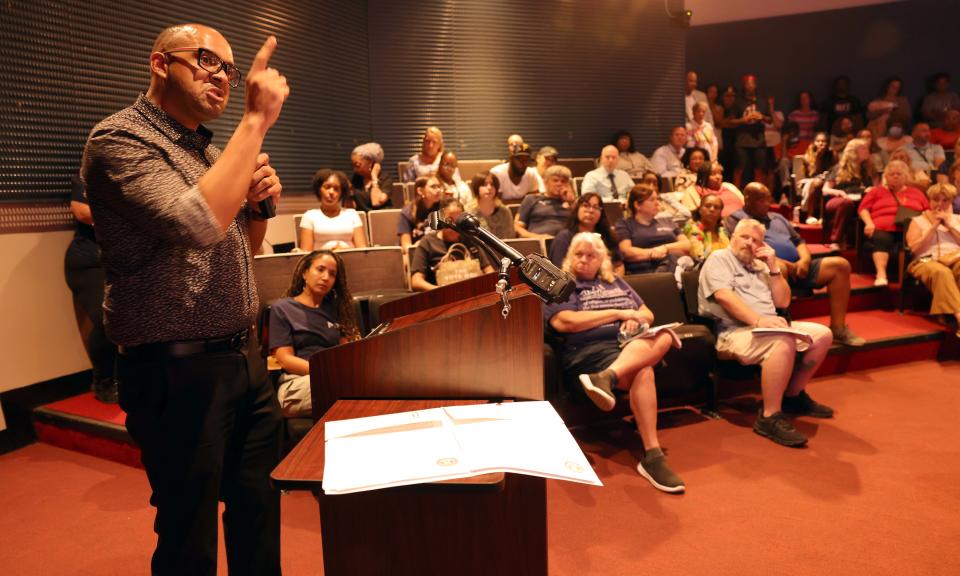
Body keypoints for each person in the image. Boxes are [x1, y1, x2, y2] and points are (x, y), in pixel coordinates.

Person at [80, 25, 287, 575]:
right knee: (188, 535)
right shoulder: (119, 141)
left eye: (229, 68)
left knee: (259, 516)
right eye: (205, 60)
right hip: (174, 373)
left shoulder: (211, 151)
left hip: (243, 360)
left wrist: (260, 206)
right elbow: (194, 223)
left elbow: (241, 248)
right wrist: (255, 119)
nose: (220, 75)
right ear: (159, 63)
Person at [546, 232, 684, 493]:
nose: (584, 260)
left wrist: (636, 319)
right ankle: (653, 457)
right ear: (569, 258)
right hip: (588, 352)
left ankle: (607, 377)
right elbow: (564, 322)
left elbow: (647, 313)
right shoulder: (563, 285)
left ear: (602, 260)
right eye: (579, 254)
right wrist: (620, 313)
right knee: (644, 370)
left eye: (591, 255)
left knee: (665, 334)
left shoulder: (616, 282)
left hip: (628, 345)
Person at [698, 219, 835, 447]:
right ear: (732, 238)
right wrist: (758, 319)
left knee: (822, 334)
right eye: (744, 237)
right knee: (782, 339)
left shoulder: (761, 266)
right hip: (733, 332)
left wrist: (773, 268)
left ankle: (792, 396)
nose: (750, 243)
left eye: (756, 240)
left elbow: (783, 301)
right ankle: (770, 416)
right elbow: (724, 296)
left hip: (766, 328)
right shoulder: (719, 259)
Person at [726, 183, 866, 346]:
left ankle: (838, 328)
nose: (767, 204)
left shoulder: (777, 217)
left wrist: (805, 261)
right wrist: (787, 265)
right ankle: (784, 328)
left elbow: (799, 242)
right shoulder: (737, 219)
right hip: (765, 267)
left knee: (840, 265)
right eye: (761, 200)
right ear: (747, 199)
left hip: (798, 266)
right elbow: (744, 250)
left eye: (768, 199)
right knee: (779, 268)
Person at [269, 250, 360, 417]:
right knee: (350, 388)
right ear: (305, 272)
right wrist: (326, 373)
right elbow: (284, 359)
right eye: (320, 269)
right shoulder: (282, 308)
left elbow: (345, 353)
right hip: (296, 385)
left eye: (332, 274)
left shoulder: (336, 310)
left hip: (336, 380)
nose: (326, 277)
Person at [64, 174, 117, 403]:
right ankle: (103, 382)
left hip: (120, 261)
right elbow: (82, 212)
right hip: (89, 261)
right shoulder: (87, 177)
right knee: (106, 320)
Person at [858, 160, 929, 286]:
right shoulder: (876, 191)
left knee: (921, 240)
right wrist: (869, 223)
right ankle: (881, 274)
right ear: (885, 177)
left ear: (906, 177)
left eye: (899, 174)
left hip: (911, 228)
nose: (895, 176)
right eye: (892, 174)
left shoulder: (916, 193)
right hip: (882, 228)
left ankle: (918, 276)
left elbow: (927, 211)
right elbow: (863, 209)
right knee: (881, 238)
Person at [905, 183, 960, 337]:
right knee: (941, 272)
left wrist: (949, 226)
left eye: (945, 200)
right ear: (929, 200)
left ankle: (946, 313)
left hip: (954, 257)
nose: (940, 204)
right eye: (936, 200)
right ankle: (957, 317)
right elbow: (915, 249)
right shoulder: (917, 221)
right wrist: (933, 226)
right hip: (925, 261)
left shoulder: (958, 219)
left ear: (951, 202)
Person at [410, 197, 495, 291]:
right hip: (441, 298)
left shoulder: (470, 240)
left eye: (457, 221)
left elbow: (489, 271)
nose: (454, 226)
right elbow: (416, 281)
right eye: (449, 220)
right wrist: (440, 291)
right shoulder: (428, 242)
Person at [616, 184, 691, 274]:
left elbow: (686, 245)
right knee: (673, 259)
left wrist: (665, 248)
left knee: (677, 259)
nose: (657, 203)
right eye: (652, 200)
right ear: (637, 205)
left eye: (657, 199)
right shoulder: (625, 224)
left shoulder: (667, 221)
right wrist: (652, 253)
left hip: (674, 263)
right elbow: (626, 252)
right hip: (645, 270)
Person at [818, 138, 877, 249]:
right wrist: (839, 192)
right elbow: (825, 190)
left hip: (860, 201)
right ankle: (836, 241)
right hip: (839, 200)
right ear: (853, 152)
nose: (867, 151)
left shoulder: (868, 169)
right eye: (863, 148)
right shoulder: (839, 168)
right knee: (846, 203)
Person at [549, 192, 623, 275]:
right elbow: (558, 270)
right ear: (577, 209)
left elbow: (619, 265)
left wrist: (613, 282)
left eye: (596, 207)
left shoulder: (608, 235)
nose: (591, 210)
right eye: (586, 205)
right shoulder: (564, 237)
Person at [299, 169, 367, 251]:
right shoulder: (309, 216)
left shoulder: (351, 214)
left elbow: (362, 250)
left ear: (341, 193)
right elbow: (306, 253)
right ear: (319, 190)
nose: (331, 192)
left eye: (336, 189)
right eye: (327, 187)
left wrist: (345, 250)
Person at [729, 74, 771, 189]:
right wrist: (744, 119)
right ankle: (736, 193)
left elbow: (770, 119)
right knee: (739, 168)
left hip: (759, 140)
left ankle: (758, 193)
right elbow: (731, 121)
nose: (750, 86)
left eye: (752, 83)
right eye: (748, 83)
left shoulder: (762, 101)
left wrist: (761, 116)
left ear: (755, 85)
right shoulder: (738, 102)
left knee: (759, 169)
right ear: (744, 85)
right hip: (742, 140)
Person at [515, 164, 573, 238]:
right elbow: (518, 228)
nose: (559, 184)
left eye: (563, 181)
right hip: (536, 242)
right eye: (555, 180)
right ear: (546, 182)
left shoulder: (573, 203)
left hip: (565, 242)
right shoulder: (531, 199)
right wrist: (536, 237)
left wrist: (571, 203)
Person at [680, 160, 744, 218]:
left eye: (719, 173)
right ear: (703, 176)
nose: (718, 177)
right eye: (713, 174)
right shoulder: (693, 191)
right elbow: (692, 213)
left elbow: (743, 202)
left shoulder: (728, 186)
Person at [398, 174, 443, 251]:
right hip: (417, 253)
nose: (438, 190)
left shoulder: (443, 209)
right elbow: (406, 247)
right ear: (420, 191)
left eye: (439, 186)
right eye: (433, 187)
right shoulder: (407, 213)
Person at [468, 170, 515, 239]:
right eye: (484, 184)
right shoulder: (468, 213)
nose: (489, 188)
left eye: (492, 184)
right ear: (476, 188)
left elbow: (511, 239)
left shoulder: (505, 212)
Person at [682, 192, 729, 261]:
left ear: (720, 213)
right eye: (707, 206)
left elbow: (730, 253)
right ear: (700, 210)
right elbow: (699, 256)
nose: (712, 209)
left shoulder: (722, 231)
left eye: (716, 207)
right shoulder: (691, 228)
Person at [350, 142, 394, 211]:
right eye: (353, 165)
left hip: (381, 218)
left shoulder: (385, 178)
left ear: (370, 162)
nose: (355, 169)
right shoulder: (355, 178)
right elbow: (352, 206)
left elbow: (376, 202)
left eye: (358, 165)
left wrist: (374, 177)